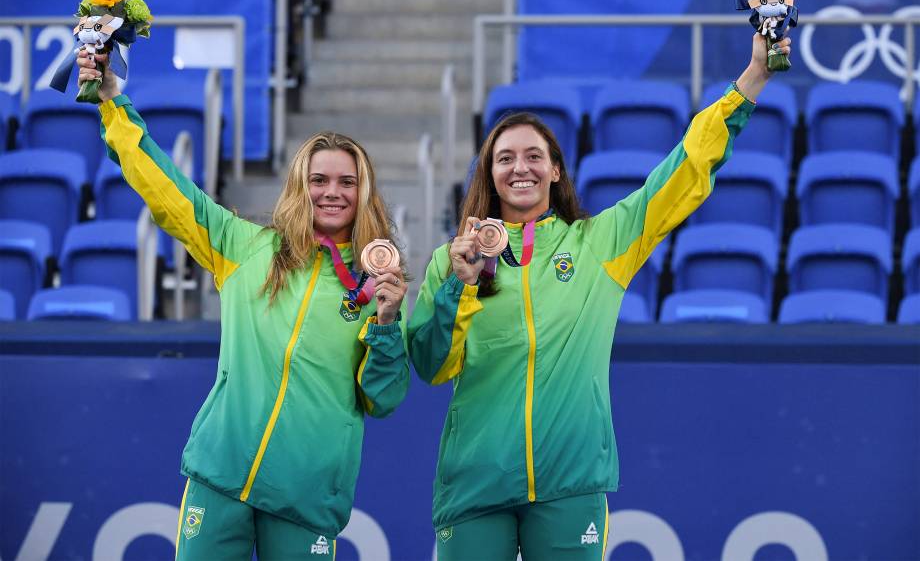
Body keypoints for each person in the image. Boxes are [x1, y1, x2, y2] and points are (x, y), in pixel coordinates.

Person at [408, 32, 793, 560]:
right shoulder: (449, 261)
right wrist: (460, 284)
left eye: (534, 156)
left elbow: (682, 170)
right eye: (505, 158)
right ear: (489, 174)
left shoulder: (600, 244)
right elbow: (432, 365)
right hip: (474, 485)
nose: (520, 167)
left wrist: (752, 79)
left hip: (570, 483)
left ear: (556, 169)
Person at [76, 50, 410, 560]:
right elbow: (166, 188)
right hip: (221, 476)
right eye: (319, 180)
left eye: (347, 182)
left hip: (306, 495)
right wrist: (112, 103)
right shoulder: (244, 247)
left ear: (364, 192)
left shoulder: (377, 283)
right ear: (300, 186)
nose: (332, 193)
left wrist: (386, 323)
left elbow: (381, 399)